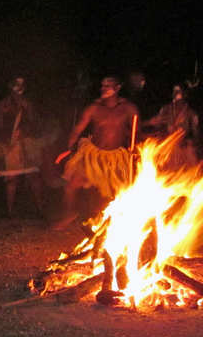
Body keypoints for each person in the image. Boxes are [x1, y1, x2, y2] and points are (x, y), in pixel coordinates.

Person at [54, 76, 139, 229]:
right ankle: (69, 214)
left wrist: (136, 149)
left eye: (108, 85)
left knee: (118, 192)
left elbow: (134, 132)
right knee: (71, 186)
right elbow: (77, 129)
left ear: (118, 87)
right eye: (102, 85)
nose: (104, 88)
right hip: (93, 155)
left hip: (116, 157)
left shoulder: (128, 108)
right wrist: (69, 148)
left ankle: (117, 223)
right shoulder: (93, 108)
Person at [0, 76, 44, 217]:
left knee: (33, 177)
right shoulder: (2, 104)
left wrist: (25, 131)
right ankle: (10, 212)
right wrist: (9, 138)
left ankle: (40, 210)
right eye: (16, 84)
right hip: (10, 144)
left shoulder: (28, 104)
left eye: (22, 85)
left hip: (27, 144)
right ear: (10, 86)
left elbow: (35, 124)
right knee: (11, 178)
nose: (19, 88)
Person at [143, 83, 200, 170]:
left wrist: (188, 142)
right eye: (174, 91)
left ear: (185, 94)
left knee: (188, 173)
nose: (175, 94)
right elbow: (158, 128)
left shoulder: (191, 113)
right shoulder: (166, 109)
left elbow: (195, 134)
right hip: (168, 148)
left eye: (178, 91)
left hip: (184, 148)